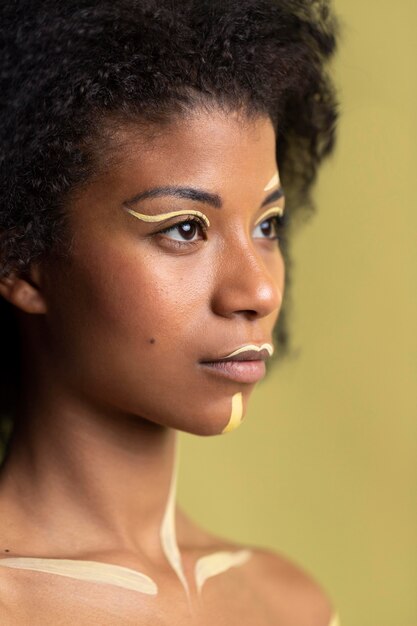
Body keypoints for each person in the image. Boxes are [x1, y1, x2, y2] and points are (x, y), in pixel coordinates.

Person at [0, 0, 340, 623]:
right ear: (22, 262)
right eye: (185, 229)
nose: (258, 291)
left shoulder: (291, 604)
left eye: (267, 225)